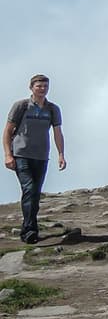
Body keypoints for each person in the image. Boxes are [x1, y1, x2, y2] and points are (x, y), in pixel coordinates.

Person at [4, 74, 67, 244]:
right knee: (29, 189)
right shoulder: (21, 106)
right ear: (31, 87)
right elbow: (8, 131)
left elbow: (58, 133)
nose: (42, 89)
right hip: (21, 154)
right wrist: (8, 155)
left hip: (41, 156)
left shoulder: (52, 109)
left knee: (35, 194)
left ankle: (29, 226)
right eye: (39, 86)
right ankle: (30, 230)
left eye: (45, 86)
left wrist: (61, 154)